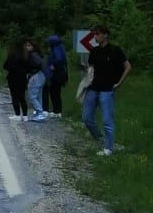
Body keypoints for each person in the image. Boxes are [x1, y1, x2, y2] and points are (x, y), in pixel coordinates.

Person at [81, 25, 132, 156]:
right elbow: (90, 68)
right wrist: (86, 78)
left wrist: (119, 83)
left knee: (107, 120)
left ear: (105, 35)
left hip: (107, 89)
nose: (95, 37)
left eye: (97, 34)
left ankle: (108, 148)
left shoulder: (115, 50)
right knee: (86, 117)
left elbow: (128, 67)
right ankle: (99, 138)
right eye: (94, 35)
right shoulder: (94, 51)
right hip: (93, 88)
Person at [42, 33, 69, 116]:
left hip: (55, 75)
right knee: (56, 92)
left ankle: (53, 111)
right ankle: (57, 111)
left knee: (52, 92)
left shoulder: (56, 49)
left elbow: (59, 59)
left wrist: (55, 66)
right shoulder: (60, 48)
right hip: (58, 75)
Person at [24, 40, 49, 121]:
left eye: (29, 45)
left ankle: (40, 112)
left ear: (33, 47)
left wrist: (32, 71)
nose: (27, 47)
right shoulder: (36, 54)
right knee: (38, 96)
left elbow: (39, 63)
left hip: (36, 76)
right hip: (41, 76)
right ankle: (39, 113)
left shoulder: (33, 55)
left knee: (32, 96)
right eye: (26, 45)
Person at [4, 40, 28, 119]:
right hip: (23, 78)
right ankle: (25, 115)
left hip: (13, 78)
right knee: (22, 97)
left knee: (14, 96)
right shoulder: (25, 56)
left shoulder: (12, 55)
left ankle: (17, 114)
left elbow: (5, 66)